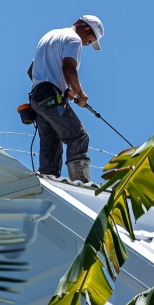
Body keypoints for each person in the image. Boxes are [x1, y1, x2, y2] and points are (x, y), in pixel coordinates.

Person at [27, 15, 104, 183]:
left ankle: (48, 180)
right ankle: (80, 183)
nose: (87, 44)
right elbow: (69, 69)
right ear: (86, 29)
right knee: (79, 137)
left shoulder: (49, 36)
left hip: (38, 98)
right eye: (90, 41)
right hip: (50, 98)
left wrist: (65, 90)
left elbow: (32, 71)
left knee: (52, 140)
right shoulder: (74, 40)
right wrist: (80, 94)